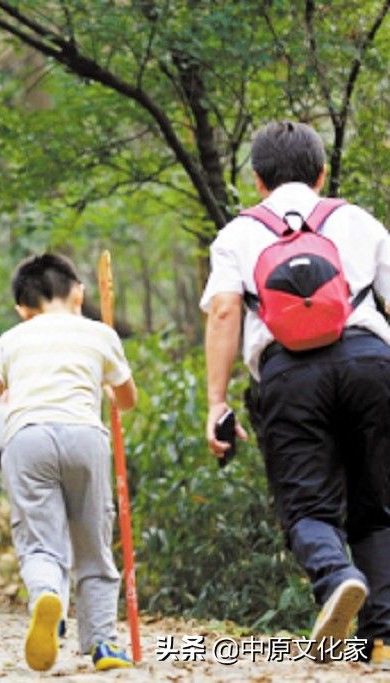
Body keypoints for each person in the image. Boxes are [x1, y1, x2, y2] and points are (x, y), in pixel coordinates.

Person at [202, 121, 390, 662]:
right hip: (370, 364)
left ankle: (335, 578)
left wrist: (217, 402)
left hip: (290, 376)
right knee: (377, 508)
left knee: (308, 509)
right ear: (323, 173)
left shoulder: (239, 233)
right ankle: (379, 641)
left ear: (257, 181)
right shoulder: (355, 219)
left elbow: (223, 310)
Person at [0, 253, 138, 673]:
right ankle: (103, 644)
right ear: (78, 293)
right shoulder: (100, 334)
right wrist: (109, 392)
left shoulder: (11, 339)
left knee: (40, 543)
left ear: (22, 307)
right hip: (85, 437)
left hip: (28, 438)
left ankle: (46, 596)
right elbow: (128, 400)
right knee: (93, 543)